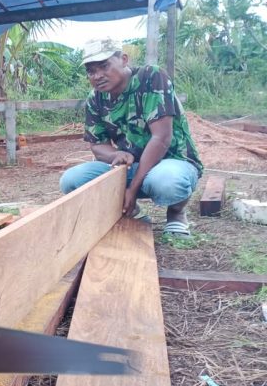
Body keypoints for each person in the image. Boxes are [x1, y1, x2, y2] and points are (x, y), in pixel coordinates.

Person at [59, 38, 203, 237]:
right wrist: (116, 155)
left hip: (171, 161)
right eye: (91, 71)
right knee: (72, 180)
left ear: (124, 59)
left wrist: (132, 189)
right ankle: (133, 213)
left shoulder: (151, 77)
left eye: (104, 66)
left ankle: (176, 213)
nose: (98, 76)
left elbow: (161, 138)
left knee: (167, 182)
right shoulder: (95, 98)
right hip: (132, 166)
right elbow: (97, 145)